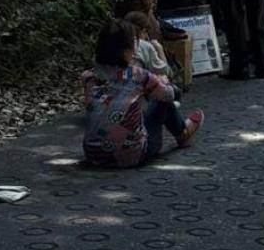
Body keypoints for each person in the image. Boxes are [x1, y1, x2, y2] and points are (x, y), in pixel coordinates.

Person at [83, 21, 202, 168]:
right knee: (162, 101)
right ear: (126, 51)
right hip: (132, 155)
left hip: (93, 154)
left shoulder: (87, 77)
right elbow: (169, 95)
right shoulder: (137, 75)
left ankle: (181, 132)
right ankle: (182, 133)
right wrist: (164, 83)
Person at [124, 11, 170, 77]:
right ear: (144, 30)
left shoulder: (115, 42)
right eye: (146, 32)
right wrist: (159, 48)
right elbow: (164, 71)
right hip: (137, 84)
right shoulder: (145, 46)